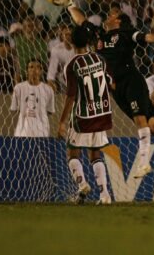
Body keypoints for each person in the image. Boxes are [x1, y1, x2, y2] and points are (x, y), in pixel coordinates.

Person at [62, 0, 154, 179]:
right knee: (153, 125)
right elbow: (81, 20)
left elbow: (146, 37)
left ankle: (143, 163)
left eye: (112, 14)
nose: (108, 16)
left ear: (118, 20)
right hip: (115, 88)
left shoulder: (126, 32)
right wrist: (69, 5)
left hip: (131, 80)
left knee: (140, 120)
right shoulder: (99, 35)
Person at [57, 24, 113, 205]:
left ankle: (82, 184)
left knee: (73, 154)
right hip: (102, 113)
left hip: (83, 116)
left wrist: (62, 122)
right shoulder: (100, 59)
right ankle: (104, 194)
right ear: (89, 41)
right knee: (95, 155)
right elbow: (111, 84)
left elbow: (71, 96)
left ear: (71, 42)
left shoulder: (72, 65)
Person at [11, 59, 55, 137]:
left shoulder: (48, 90)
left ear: (41, 71)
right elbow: (14, 109)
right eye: (31, 67)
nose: (34, 70)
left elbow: (50, 111)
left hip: (42, 132)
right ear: (27, 70)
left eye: (38, 67)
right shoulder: (18, 88)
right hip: (22, 132)